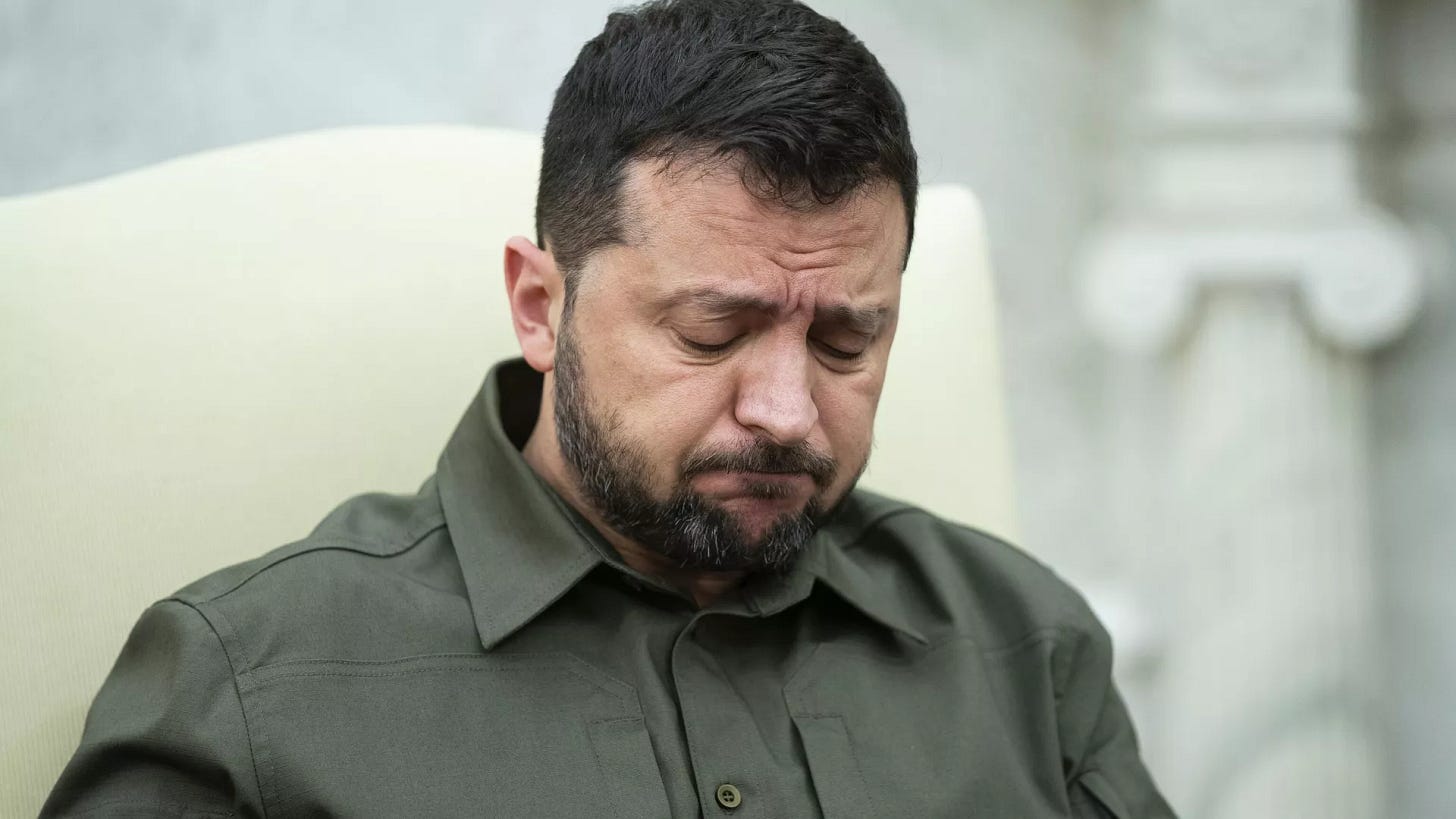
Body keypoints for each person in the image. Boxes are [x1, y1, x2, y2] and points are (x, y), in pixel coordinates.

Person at [43, 0, 1174, 816]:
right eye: (710, 334)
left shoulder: (1025, 645)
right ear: (541, 306)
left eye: (845, 340)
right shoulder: (250, 687)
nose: (787, 412)